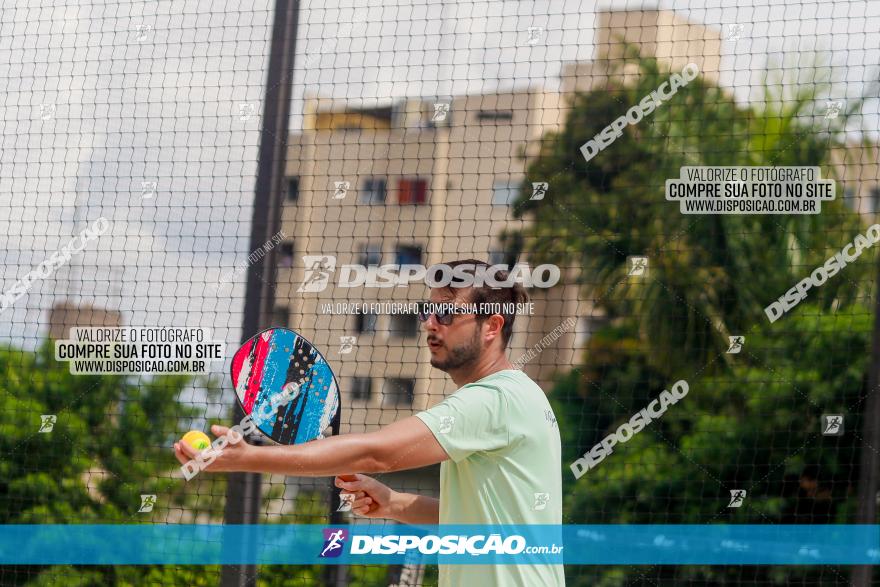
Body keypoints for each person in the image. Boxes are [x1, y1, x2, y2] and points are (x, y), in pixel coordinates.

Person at [173, 259, 564, 586]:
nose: (430, 323)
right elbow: (477, 520)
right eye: (428, 311)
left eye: (446, 313)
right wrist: (394, 502)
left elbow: (379, 452)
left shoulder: (494, 400)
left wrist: (248, 458)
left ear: (492, 326)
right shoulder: (517, 396)